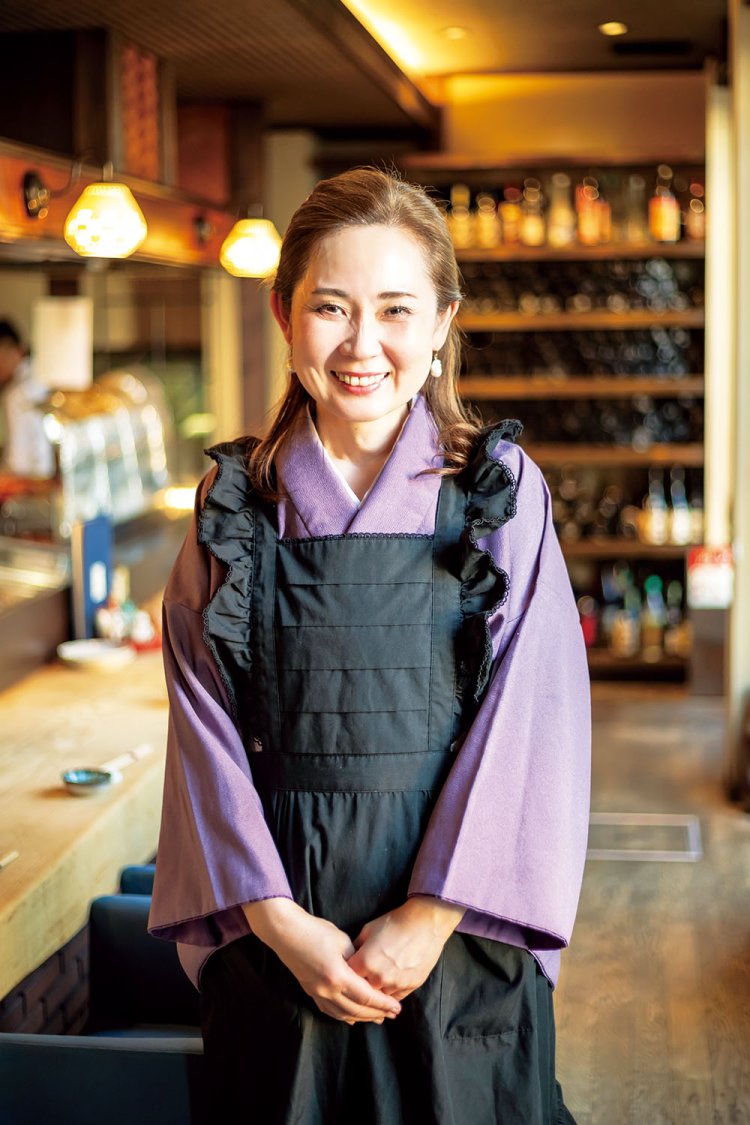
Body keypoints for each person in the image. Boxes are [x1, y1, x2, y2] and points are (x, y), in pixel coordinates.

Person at [149, 167, 591, 1124]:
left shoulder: (497, 492)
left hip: (458, 933)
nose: (362, 346)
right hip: (281, 942)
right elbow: (201, 729)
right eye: (331, 308)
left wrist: (431, 916)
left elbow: (535, 717)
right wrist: (277, 922)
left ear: (441, 322)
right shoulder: (234, 505)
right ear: (283, 313)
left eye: (396, 309)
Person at [0, 319, 55, 478]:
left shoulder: (17, 393)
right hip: (42, 479)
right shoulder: (40, 376)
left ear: (13, 350)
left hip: (30, 483)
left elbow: (19, 461)